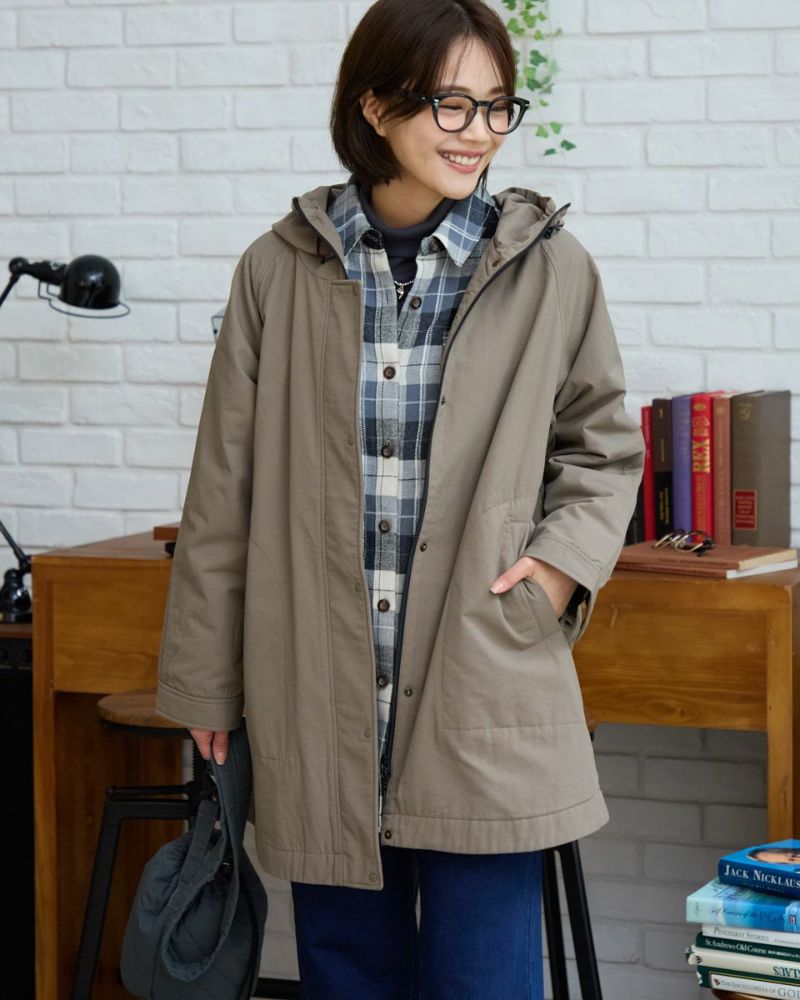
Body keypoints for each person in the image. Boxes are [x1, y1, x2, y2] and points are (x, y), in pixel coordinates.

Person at [155, 0, 646, 996]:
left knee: (484, 977)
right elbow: (223, 493)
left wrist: (553, 573)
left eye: (496, 106)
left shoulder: (550, 268)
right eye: (450, 104)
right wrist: (206, 683)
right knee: (345, 973)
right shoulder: (277, 270)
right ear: (375, 106)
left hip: (482, 678)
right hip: (316, 690)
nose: (478, 132)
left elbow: (601, 449)